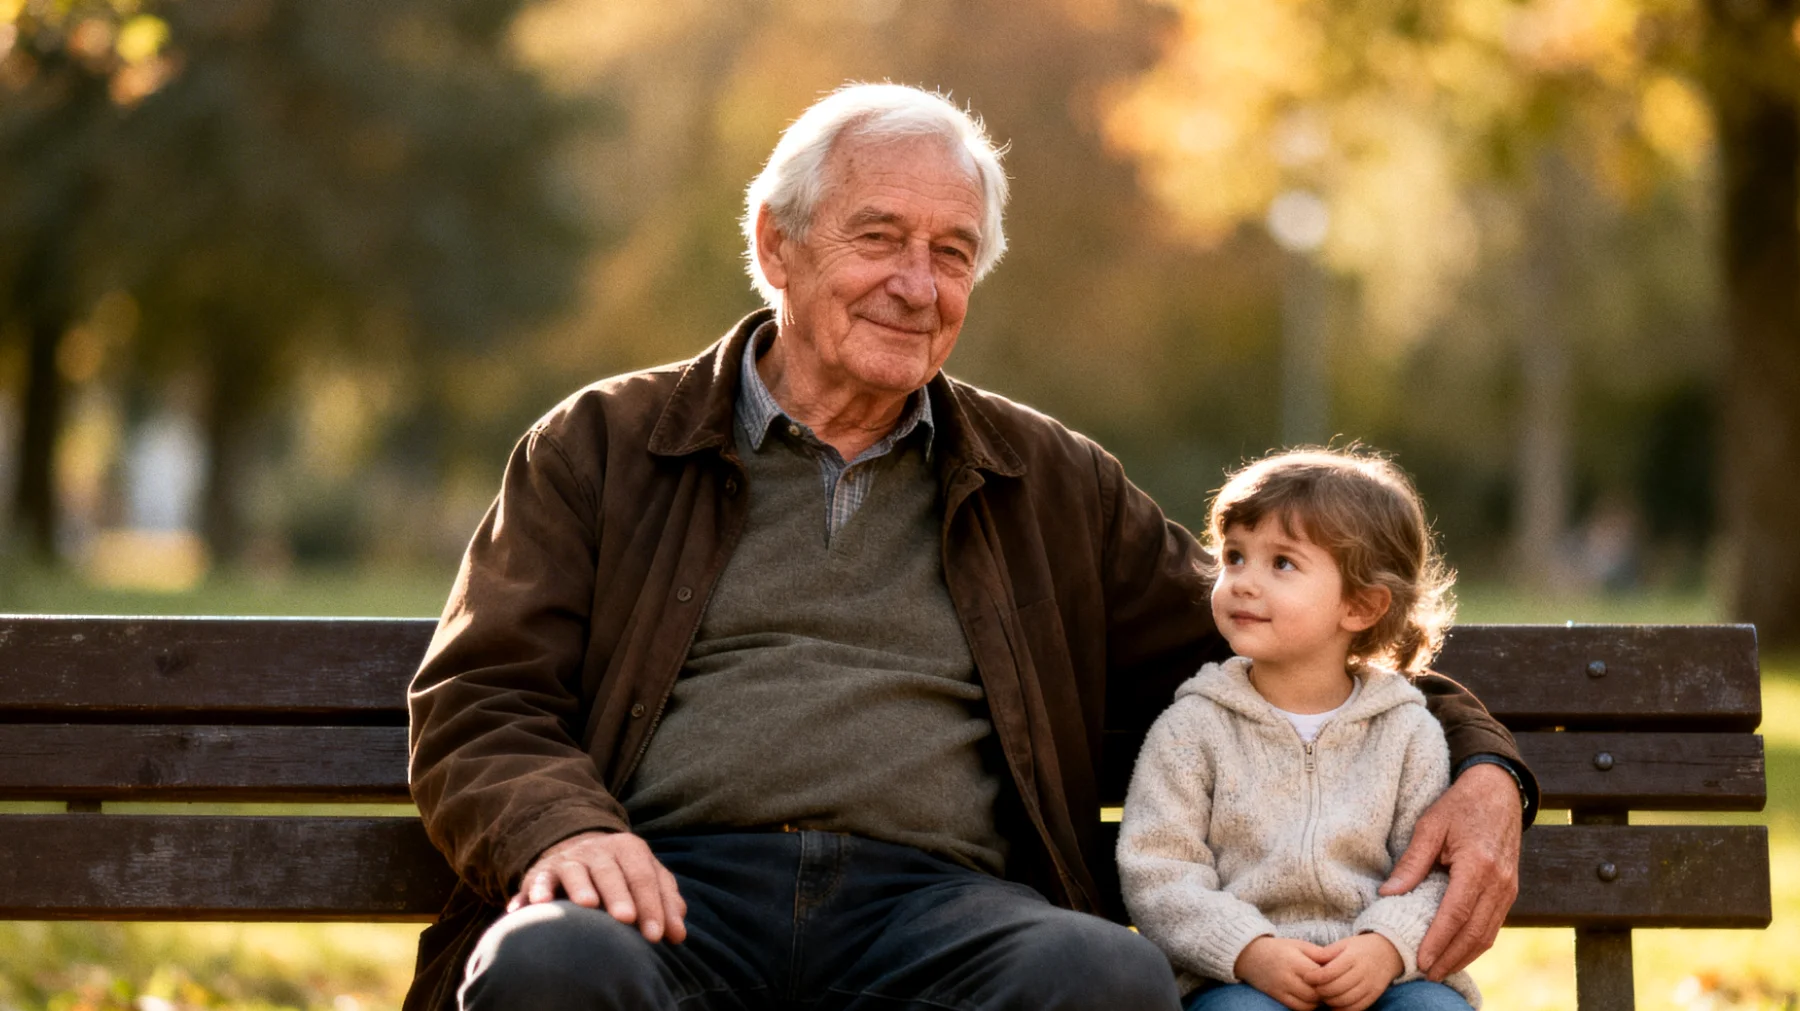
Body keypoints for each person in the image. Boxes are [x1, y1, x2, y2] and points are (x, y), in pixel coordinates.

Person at [404, 84, 1536, 1011]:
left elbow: (1276, 637)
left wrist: (1483, 765)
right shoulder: (604, 443)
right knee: (552, 966)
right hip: (668, 887)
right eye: (880, 239)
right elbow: (482, 697)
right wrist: (568, 829)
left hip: (938, 911)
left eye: (950, 253)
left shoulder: (1045, 481)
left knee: (1100, 974)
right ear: (777, 245)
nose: (916, 284)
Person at [1118, 448, 1484, 1011]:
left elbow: (1431, 873)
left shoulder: (1407, 732)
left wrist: (1386, 946)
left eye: (1281, 563)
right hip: (1236, 979)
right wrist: (1247, 948)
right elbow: (1159, 869)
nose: (1241, 581)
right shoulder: (1192, 728)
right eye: (1234, 556)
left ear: (1360, 606)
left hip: (1384, 977)